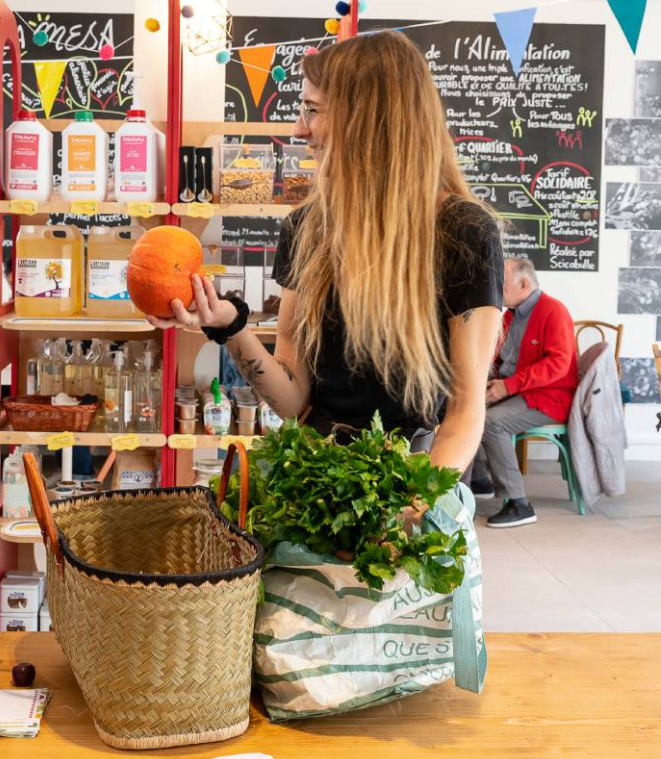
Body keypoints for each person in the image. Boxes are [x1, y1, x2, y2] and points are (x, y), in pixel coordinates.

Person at [149, 31, 503, 477]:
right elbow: (295, 401)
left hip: (414, 476)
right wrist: (226, 325)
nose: (299, 129)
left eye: (312, 110)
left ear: (368, 118)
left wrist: (408, 512)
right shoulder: (306, 228)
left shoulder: (464, 231)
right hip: (316, 474)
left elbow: (465, 414)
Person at [470, 257, 578, 529]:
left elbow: (558, 364)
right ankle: (478, 482)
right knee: (467, 410)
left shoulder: (553, 311)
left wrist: (507, 386)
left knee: (492, 423)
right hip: (521, 391)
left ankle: (519, 503)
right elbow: (501, 361)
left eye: (502, 283)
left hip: (548, 398)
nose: (495, 287)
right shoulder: (509, 315)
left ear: (524, 283)